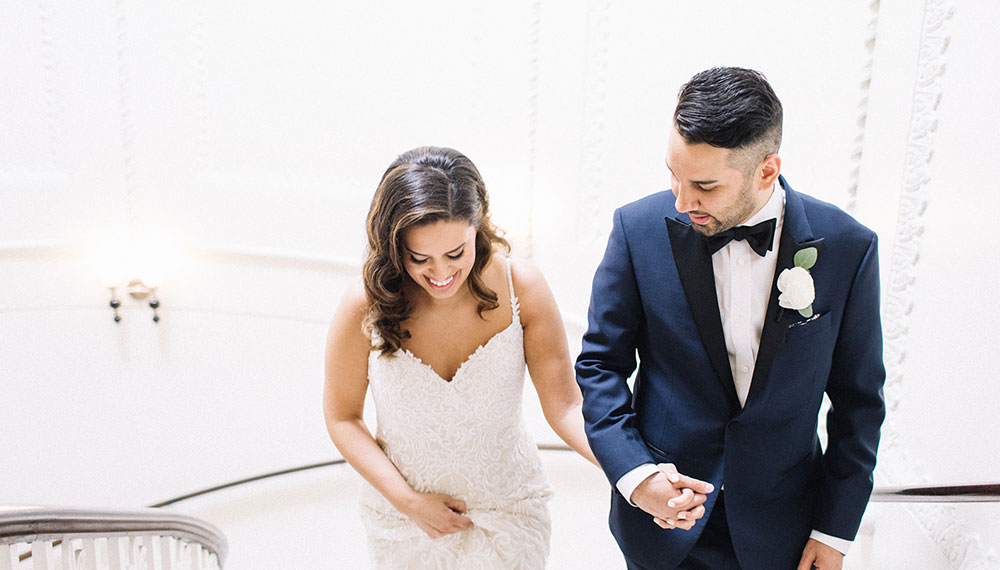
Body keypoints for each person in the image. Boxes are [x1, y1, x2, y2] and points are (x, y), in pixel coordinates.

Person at [576, 67, 886, 570]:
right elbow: (599, 366)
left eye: (703, 185)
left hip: (784, 531)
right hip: (664, 525)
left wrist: (834, 530)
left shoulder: (849, 248)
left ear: (767, 169)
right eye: (673, 175)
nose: (681, 201)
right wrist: (636, 476)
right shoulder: (636, 230)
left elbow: (859, 403)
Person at [323, 146, 604, 569]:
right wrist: (410, 502)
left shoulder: (522, 287)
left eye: (456, 253)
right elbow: (342, 417)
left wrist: (632, 471)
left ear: (479, 224)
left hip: (508, 521)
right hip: (404, 527)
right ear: (394, 245)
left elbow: (566, 407)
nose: (440, 274)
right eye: (419, 258)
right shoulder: (365, 303)